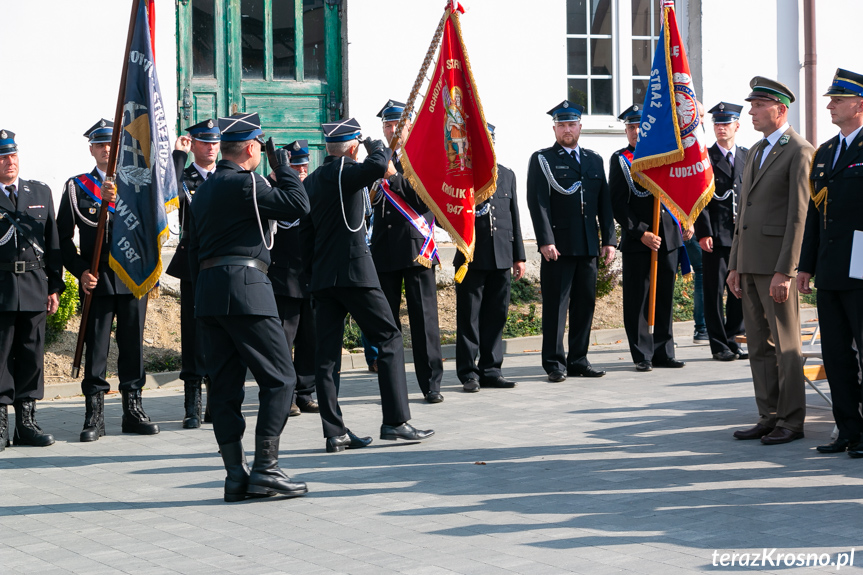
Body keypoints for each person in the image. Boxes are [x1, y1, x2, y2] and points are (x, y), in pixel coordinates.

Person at [188, 112, 309, 501]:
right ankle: (266, 469)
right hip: (247, 290)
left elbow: (192, 248)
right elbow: (298, 205)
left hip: (209, 293)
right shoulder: (248, 182)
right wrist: (283, 167)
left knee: (224, 390)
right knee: (281, 378)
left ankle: (235, 476)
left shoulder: (203, 189)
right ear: (253, 148)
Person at [302, 117, 434, 453]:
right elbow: (379, 164)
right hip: (354, 273)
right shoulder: (346, 171)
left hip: (323, 277)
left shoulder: (314, 179)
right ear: (351, 147)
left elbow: (306, 234)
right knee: (389, 337)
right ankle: (396, 421)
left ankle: (335, 432)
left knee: (327, 356)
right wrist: (376, 143)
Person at [58, 120, 159, 442]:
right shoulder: (78, 186)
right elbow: (61, 240)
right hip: (97, 278)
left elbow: (150, 233)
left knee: (132, 347)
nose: (106, 151)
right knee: (97, 349)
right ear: (92, 149)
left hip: (131, 278)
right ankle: (95, 416)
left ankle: (133, 410)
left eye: (112, 146)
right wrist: (80, 271)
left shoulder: (139, 184)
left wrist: (151, 272)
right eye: (101, 145)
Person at [727, 77, 814, 445]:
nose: (751, 111)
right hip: (749, 263)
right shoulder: (756, 151)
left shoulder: (799, 150)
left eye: (758, 105)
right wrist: (734, 263)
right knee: (759, 345)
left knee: (786, 345)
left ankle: (792, 420)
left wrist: (787, 270)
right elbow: (742, 213)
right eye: (752, 105)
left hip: (776, 267)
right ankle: (769, 414)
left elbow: (799, 216)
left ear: (780, 109)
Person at [526, 100, 616, 382]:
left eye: (571, 124)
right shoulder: (543, 159)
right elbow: (537, 203)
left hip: (588, 244)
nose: (567, 129)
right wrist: (545, 240)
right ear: (555, 128)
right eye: (562, 125)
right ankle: (554, 363)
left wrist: (609, 240)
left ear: (580, 126)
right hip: (558, 247)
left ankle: (578, 359)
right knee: (556, 306)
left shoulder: (593, 159)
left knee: (584, 304)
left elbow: (604, 203)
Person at [798, 68, 863, 455]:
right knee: (836, 354)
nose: (829, 105)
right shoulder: (824, 152)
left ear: (859, 104)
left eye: (837, 100)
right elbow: (814, 215)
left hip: (862, 268)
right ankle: (848, 429)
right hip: (832, 268)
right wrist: (806, 265)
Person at [369, 100, 444, 403]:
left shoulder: (424, 156)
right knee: (388, 323)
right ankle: (393, 386)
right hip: (384, 250)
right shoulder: (377, 158)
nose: (392, 130)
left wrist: (392, 176)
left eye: (398, 124)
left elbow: (426, 200)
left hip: (416, 249)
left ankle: (432, 384)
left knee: (423, 320)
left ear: (410, 125)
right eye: (388, 125)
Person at [609, 105, 688, 372]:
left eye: (640, 126)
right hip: (639, 240)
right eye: (630, 127)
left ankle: (664, 351)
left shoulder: (665, 157)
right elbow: (618, 204)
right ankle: (642, 353)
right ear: (626, 131)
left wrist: (686, 218)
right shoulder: (621, 159)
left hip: (669, 237)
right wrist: (641, 232)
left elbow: (679, 190)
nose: (635, 131)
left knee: (665, 296)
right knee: (638, 298)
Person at [0, 130, 63, 451]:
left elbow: (53, 243)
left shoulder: (38, 191)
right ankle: (0, 425)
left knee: (31, 354)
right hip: (1, 288)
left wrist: (55, 286)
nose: (9, 162)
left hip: (35, 285)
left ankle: (26, 423)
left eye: (12, 155)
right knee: (0, 357)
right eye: (2, 157)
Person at [456, 123, 526, 392]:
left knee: (496, 316)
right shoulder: (461, 178)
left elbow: (514, 217)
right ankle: (469, 374)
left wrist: (518, 256)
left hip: (501, 257)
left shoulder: (506, 175)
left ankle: (491, 369)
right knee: (469, 319)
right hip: (472, 258)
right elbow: (447, 214)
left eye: (490, 142)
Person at [169, 118, 220, 428]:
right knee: (192, 333)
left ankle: (216, 402)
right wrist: (178, 156)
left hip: (222, 263)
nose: (211, 147)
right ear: (193, 143)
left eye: (215, 141)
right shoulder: (185, 176)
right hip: (192, 265)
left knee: (219, 332)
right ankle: (192, 406)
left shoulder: (228, 174)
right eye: (204, 141)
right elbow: (168, 193)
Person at [268, 139, 319, 417]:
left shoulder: (312, 187)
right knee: (283, 340)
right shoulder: (269, 188)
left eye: (304, 165)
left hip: (309, 275)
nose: (301, 171)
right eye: (295, 165)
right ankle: (284, 395)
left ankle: (305, 392)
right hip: (281, 277)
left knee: (310, 339)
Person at [695, 103, 749, 362]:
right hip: (715, 236)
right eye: (717, 123)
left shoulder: (747, 157)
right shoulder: (705, 157)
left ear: (737, 126)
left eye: (726, 123)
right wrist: (703, 232)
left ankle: (734, 337)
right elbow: (700, 198)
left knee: (740, 290)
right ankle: (718, 344)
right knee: (714, 290)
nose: (720, 128)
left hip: (742, 237)